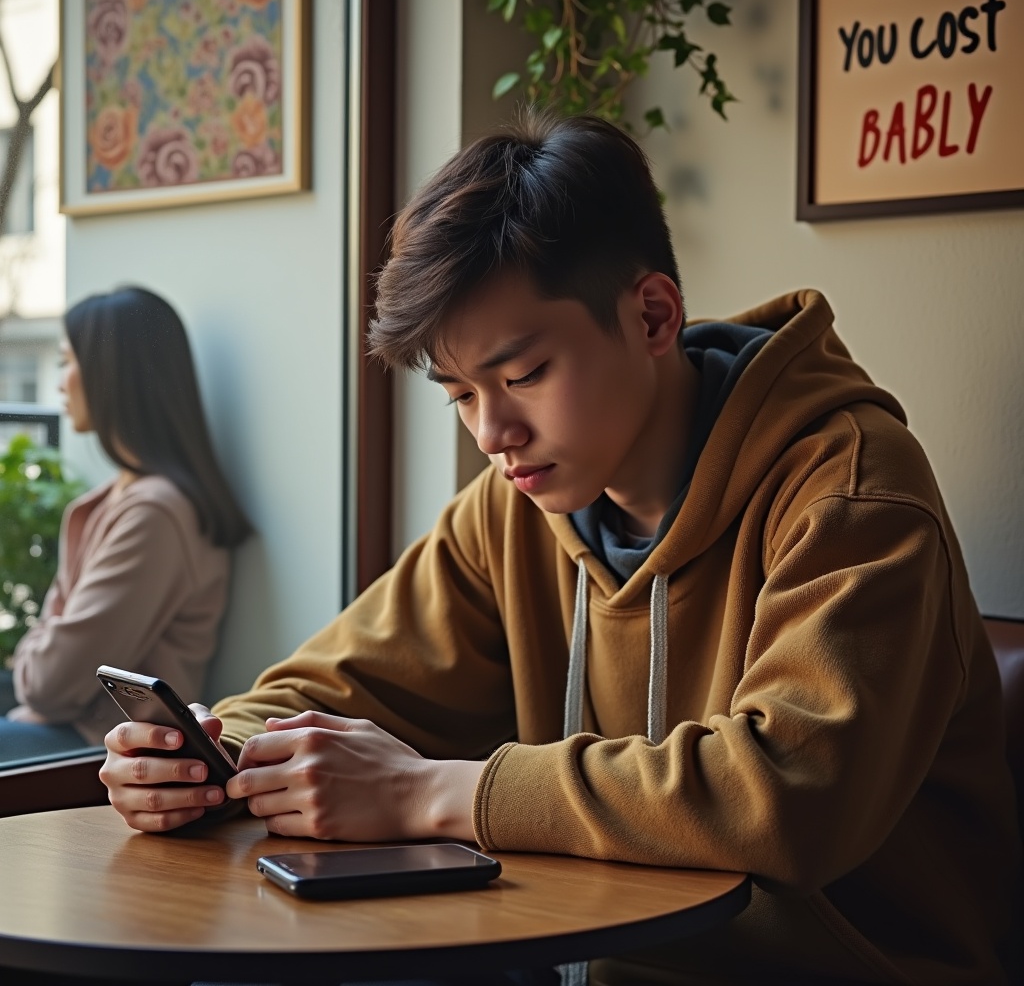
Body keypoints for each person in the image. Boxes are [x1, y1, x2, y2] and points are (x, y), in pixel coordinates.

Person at [100, 114, 1020, 985]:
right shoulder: (514, 509)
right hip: (581, 956)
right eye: (459, 393)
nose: (492, 431)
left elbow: (787, 796)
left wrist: (430, 794)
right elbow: (324, 689)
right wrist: (204, 760)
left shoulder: (850, 492)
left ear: (654, 317)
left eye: (524, 374)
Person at [0, 287, 250, 763]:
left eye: (66, 362)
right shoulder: (119, 499)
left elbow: (50, 685)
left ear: (109, 375)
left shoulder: (154, 515)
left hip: (101, 748)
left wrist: (30, 659)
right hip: (67, 726)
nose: (59, 383)